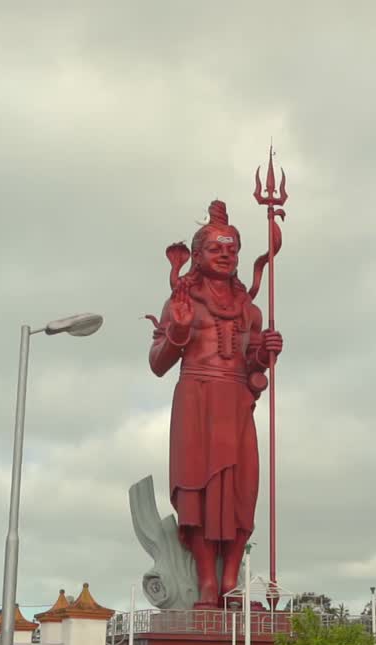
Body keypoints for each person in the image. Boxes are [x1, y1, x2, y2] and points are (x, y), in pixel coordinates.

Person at [147, 200, 283, 608]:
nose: (226, 254)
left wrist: (267, 353)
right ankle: (207, 582)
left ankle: (230, 582)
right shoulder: (181, 303)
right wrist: (179, 331)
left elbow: (254, 368)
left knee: (241, 491)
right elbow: (157, 364)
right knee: (199, 493)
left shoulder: (250, 311)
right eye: (215, 248)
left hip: (236, 402)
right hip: (196, 397)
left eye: (232, 248)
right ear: (198, 255)